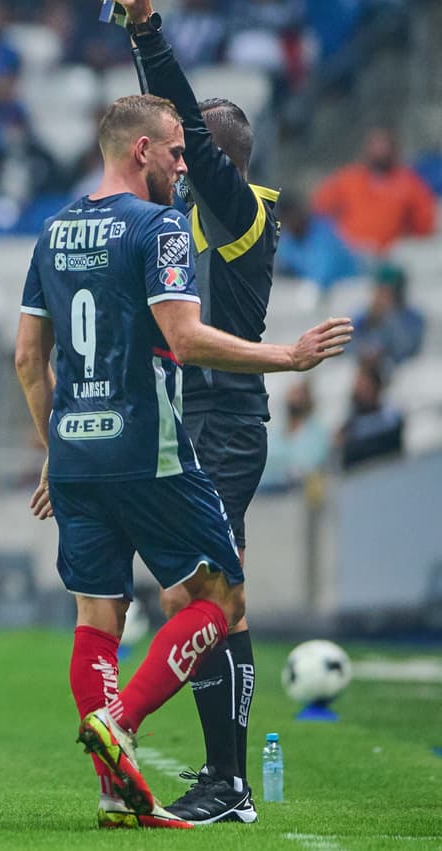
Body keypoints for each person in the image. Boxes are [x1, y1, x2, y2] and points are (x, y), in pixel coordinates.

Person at [14, 93, 351, 830]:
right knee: (219, 596)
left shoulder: (54, 228)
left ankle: (114, 790)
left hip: (72, 445)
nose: (182, 164)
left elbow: (26, 358)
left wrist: (52, 446)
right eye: (174, 151)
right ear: (142, 152)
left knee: (97, 614)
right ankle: (124, 720)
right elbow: (187, 336)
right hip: (149, 442)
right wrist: (287, 358)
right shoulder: (160, 224)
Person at [119, 0, 283, 824]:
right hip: (180, 422)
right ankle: (227, 780)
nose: (175, 160)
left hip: (223, 422)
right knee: (196, 600)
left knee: (210, 600)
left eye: (188, 150)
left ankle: (231, 783)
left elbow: (174, 120)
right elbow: (155, 125)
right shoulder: (182, 219)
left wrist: (148, 32)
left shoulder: (240, 214)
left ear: (213, 157)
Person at [311, 127, 436, 256]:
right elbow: (320, 207)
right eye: (376, 145)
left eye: (385, 146)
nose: (380, 151)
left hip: (387, 253)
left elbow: (424, 224)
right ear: (367, 149)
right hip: (349, 251)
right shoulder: (349, 178)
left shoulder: (409, 183)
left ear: (395, 150)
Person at [258, 380, 330, 493]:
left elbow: (308, 466)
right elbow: (264, 466)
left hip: (299, 496)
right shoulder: (275, 434)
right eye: (293, 392)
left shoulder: (318, 433)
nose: (295, 397)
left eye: (300, 393)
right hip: (267, 496)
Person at [350, 263, 425, 369]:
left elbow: (405, 350)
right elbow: (349, 342)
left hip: (401, 373)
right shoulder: (365, 314)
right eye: (379, 289)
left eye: (387, 291)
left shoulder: (414, 318)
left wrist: (388, 317)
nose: (381, 295)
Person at [338, 355, 404, 470]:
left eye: (365, 387)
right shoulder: (349, 427)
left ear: (376, 387)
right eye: (358, 387)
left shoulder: (392, 418)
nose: (359, 392)